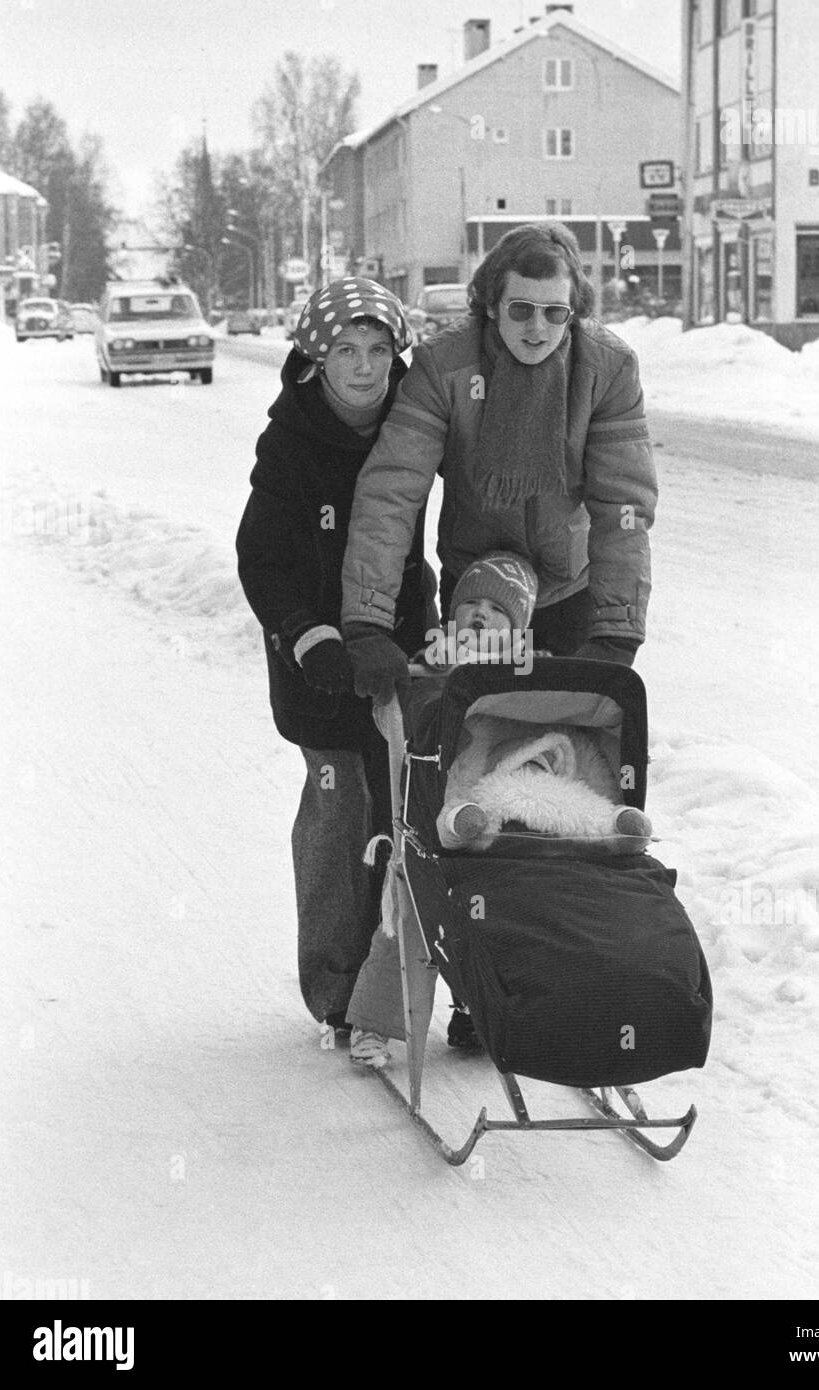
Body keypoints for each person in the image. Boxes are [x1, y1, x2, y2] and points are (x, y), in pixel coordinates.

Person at [345, 549, 650, 1070]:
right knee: (417, 913)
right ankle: (374, 1023)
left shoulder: (538, 673)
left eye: (498, 610)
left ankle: (512, 1013)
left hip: (524, 819)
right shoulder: (434, 664)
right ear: (452, 615)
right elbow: (393, 721)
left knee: (520, 921)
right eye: (471, 605)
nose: (481, 615)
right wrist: (423, 680)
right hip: (453, 816)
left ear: (520, 629)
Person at [339, 221, 658, 705]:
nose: (538, 328)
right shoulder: (443, 366)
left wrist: (616, 630)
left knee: (561, 756)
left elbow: (623, 503)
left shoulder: (607, 369)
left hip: (568, 592)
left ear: (573, 313)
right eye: (521, 309)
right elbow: (392, 489)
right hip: (476, 597)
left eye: (555, 313)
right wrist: (367, 619)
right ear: (491, 305)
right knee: (470, 747)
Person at [236, 277, 436, 1037]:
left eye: (379, 349)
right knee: (340, 808)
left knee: (407, 813)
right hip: (316, 663)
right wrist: (307, 635)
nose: (364, 367)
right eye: (345, 351)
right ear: (315, 360)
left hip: (397, 649)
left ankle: (399, 979)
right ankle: (334, 988)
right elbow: (260, 558)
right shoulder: (290, 443)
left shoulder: (411, 425)